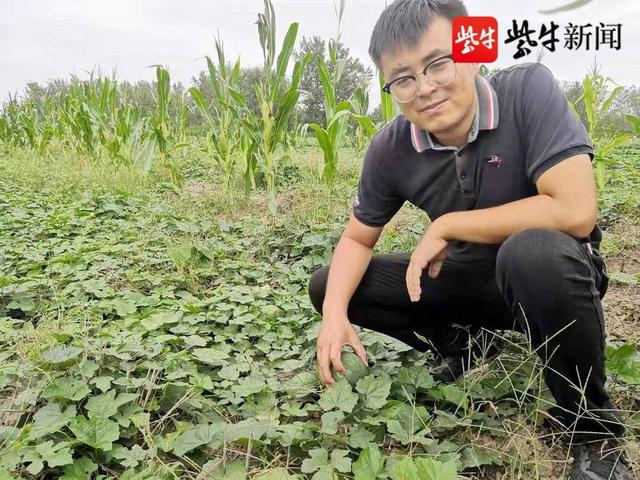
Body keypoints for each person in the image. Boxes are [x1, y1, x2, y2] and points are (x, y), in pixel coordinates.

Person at [306, 0, 631, 478]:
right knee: (328, 284)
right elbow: (357, 240)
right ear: (391, 87)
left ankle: (591, 430)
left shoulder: (526, 91)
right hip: (467, 279)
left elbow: (575, 210)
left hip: (550, 275)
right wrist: (333, 315)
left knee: (533, 251)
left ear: (470, 49)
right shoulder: (391, 148)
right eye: (404, 78)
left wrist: (447, 225)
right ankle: (466, 343)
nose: (426, 88)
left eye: (439, 63)